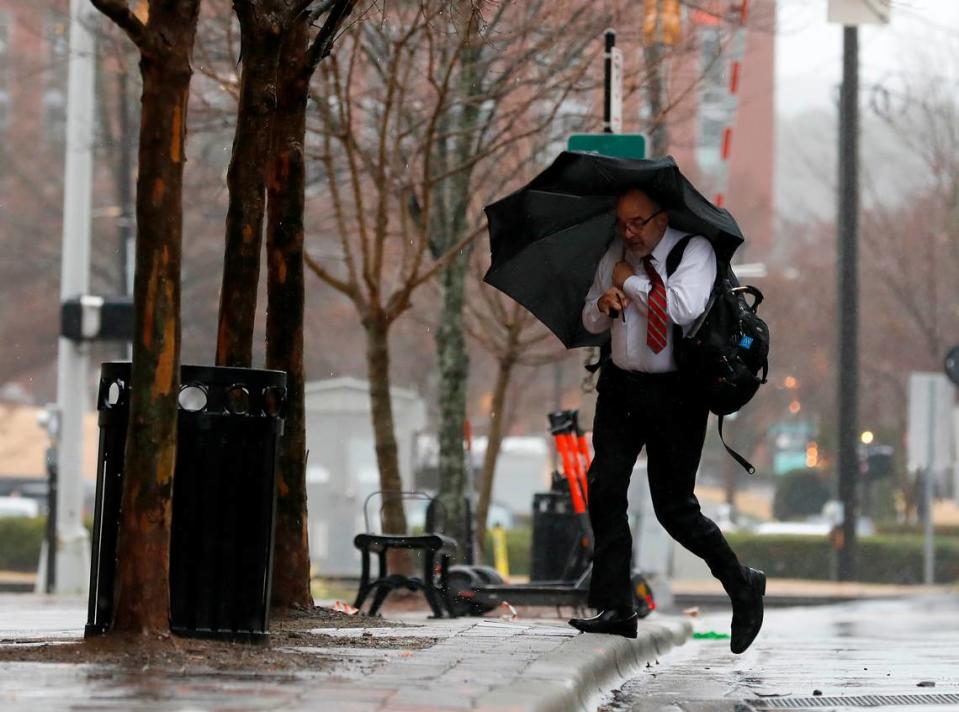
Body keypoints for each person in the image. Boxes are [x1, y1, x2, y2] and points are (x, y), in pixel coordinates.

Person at [568, 187, 765, 654]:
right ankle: (616, 607)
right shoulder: (614, 255)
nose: (629, 232)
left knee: (673, 507)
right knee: (605, 486)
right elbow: (589, 318)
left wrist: (630, 283)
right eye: (622, 223)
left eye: (638, 222)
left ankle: (741, 584)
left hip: (677, 392)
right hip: (621, 387)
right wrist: (604, 304)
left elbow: (680, 308)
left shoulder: (692, 250)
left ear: (661, 217)